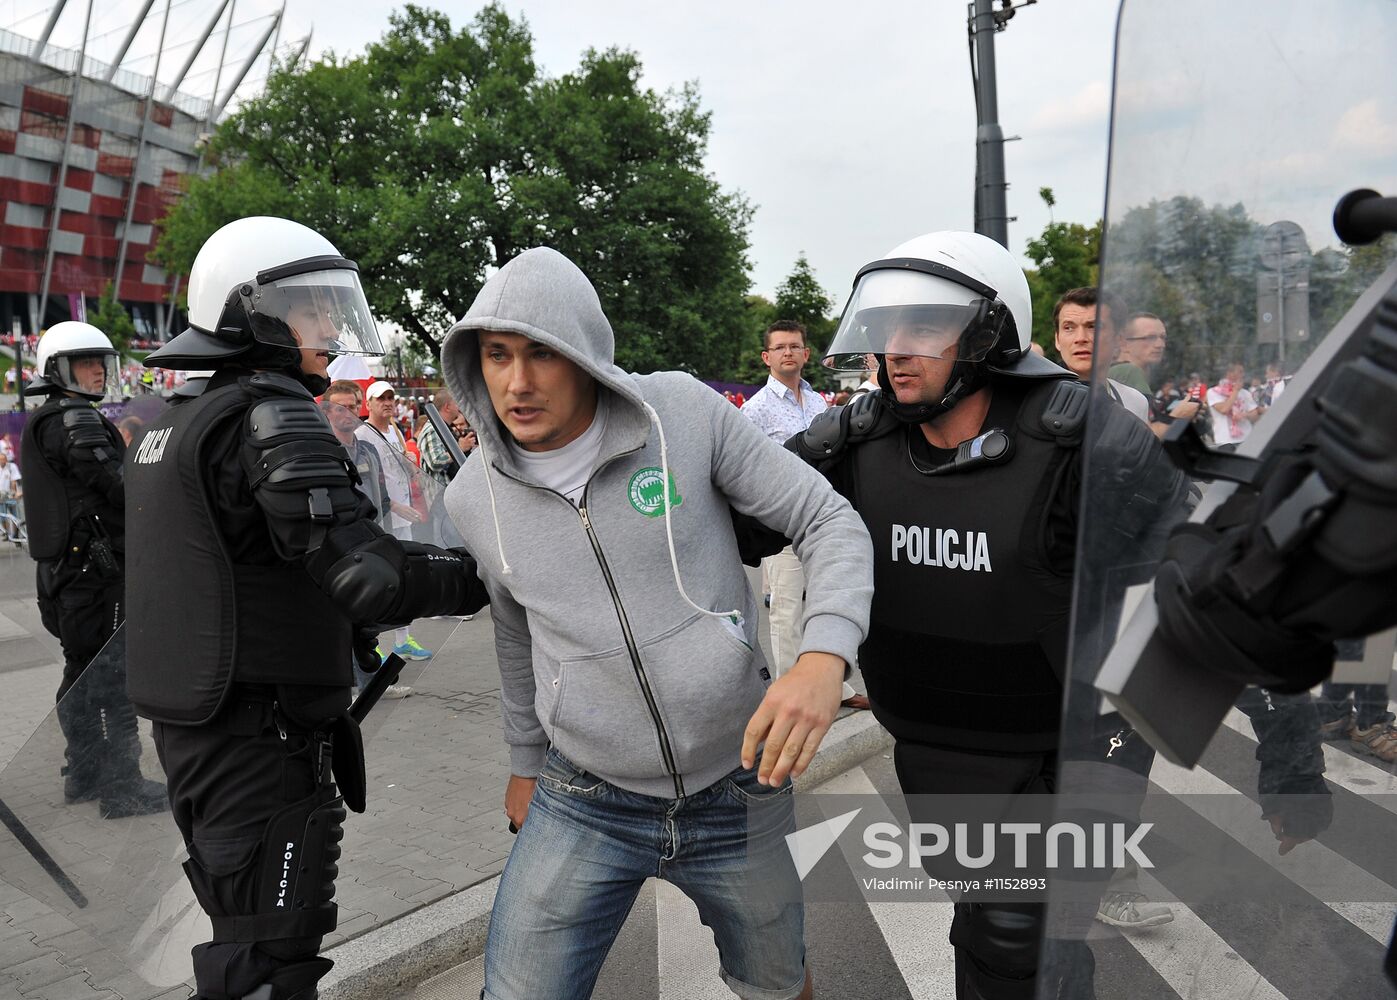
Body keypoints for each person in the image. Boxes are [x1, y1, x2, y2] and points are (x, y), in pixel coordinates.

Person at [439, 246, 874, 1000]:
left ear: (585, 355)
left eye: (542, 353)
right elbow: (515, 629)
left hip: (740, 777)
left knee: (776, 984)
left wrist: (821, 657)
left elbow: (827, 519)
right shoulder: (470, 497)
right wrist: (521, 759)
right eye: (496, 355)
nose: (516, 381)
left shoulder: (682, 412)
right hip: (583, 795)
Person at [788, 231, 1190, 999]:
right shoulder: (854, 437)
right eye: (886, 330)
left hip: (1067, 745)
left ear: (987, 336)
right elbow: (741, 514)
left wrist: (1287, 751)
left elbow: (1206, 572)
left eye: (923, 329)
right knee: (1004, 929)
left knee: (1012, 936)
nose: (894, 351)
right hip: (940, 742)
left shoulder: (1081, 440)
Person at [124, 216, 488, 1000]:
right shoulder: (270, 412)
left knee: (245, 932)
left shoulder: (174, 420)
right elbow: (367, 576)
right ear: (246, 311)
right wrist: (491, 570)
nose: (329, 325)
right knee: (268, 956)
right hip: (261, 733)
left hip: (203, 725)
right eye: (309, 307)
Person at [19, 321, 166, 819]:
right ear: (58, 369)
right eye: (85, 363)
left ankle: (83, 773)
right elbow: (121, 486)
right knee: (112, 678)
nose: (97, 373)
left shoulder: (50, 417)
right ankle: (122, 786)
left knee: (81, 673)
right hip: (93, 577)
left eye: (100, 363)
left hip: (66, 575)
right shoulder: (74, 419)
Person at [742, 321, 868, 710]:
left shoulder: (819, 404)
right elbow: (743, 470)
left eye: (794, 346)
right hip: (781, 523)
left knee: (823, 602)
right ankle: (787, 692)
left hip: (821, 519)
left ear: (806, 353)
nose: (787, 353)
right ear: (767, 357)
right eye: (779, 348)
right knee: (785, 610)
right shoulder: (754, 410)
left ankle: (837, 687)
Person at [320, 379, 413, 700]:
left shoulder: (368, 448)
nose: (349, 413)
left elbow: (382, 495)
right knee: (343, 619)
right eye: (341, 407)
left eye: (353, 405)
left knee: (366, 619)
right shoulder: (320, 449)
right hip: (335, 547)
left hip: (370, 539)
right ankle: (356, 685)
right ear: (328, 410)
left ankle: (369, 681)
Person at [355, 380, 432, 660]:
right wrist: (395, 506)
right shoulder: (363, 434)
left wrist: (412, 465)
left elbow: (406, 471)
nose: (387, 402)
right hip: (383, 516)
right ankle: (373, 644)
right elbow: (367, 481)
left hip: (404, 515)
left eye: (390, 397)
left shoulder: (395, 430)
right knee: (380, 578)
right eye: (381, 399)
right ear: (369, 403)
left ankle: (403, 639)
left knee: (404, 576)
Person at [1051, 286, 1151, 423]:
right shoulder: (1033, 398)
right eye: (1069, 328)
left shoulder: (1135, 403)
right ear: (1057, 339)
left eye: (1093, 327)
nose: (1080, 338)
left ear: (1119, 339)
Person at [1111, 313, 1202, 438]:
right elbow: (1147, 438)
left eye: (1163, 337)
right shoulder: (1128, 372)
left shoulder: (1116, 371)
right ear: (1124, 343)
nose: (1161, 345)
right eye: (1150, 337)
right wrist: (1179, 416)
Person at [1207, 361, 1265, 449]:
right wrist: (1235, 391)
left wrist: (1245, 415)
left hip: (1246, 438)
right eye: (1240, 372)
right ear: (1229, 374)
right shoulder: (1213, 392)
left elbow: (1255, 415)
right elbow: (1224, 409)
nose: (1243, 375)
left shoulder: (1245, 393)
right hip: (1225, 440)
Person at [0, 450, 21, 540]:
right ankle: (7, 533)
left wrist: (13, 493)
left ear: (6, 460)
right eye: (0, 460)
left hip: (10, 495)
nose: (2, 461)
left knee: (15, 516)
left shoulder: (11, 467)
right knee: (3, 516)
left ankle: (16, 534)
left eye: (4, 459)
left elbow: (13, 481)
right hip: (1, 496)